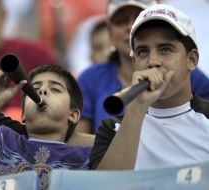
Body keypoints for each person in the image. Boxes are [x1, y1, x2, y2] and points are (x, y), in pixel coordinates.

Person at [89, 4, 209, 171]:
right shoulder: (111, 129)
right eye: (142, 51)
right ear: (134, 62)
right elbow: (106, 185)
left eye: (165, 49)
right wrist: (137, 107)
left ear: (192, 60)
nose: (152, 61)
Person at [0, 64, 93, 189]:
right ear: (23, 115)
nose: (42, 91)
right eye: (35, 88)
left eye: (55, 89)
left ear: (73, 115)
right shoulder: (1, 138)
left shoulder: (88, 157)